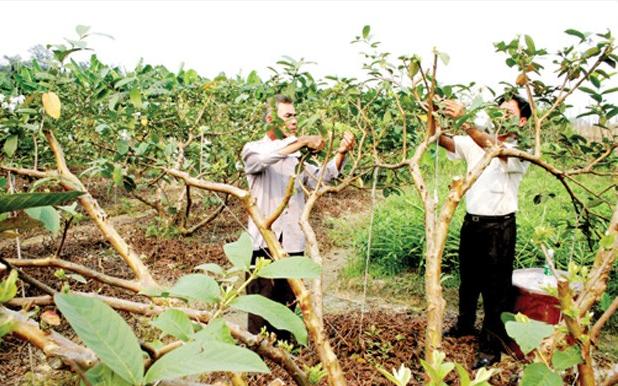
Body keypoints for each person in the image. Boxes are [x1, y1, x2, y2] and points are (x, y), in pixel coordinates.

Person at [241, 94, 355, 341]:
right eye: (288, 116)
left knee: (286, 308)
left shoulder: (296, 158)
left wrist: (342, 152)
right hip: (263, 243)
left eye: (295, 115)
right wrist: (302, 141)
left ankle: (286, 359)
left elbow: (324, 176)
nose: (294, 120)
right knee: (260, 309)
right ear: (271, 120)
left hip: (291, 242)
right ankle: (257, 362)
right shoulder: (253, 149)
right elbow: (263, 161)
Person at [437, 95, 531, 367]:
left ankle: (490, 347)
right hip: (472, 223)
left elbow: (492, 147)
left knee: (495, 290)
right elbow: (446, 141)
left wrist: (465, 121)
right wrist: (432, 114)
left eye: (508, 111)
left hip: (499, 228)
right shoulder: (477, 141)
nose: (502, 114)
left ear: (522, 121)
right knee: (468, 281)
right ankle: (465, 325)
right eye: (498, 110)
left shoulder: (518, 150)